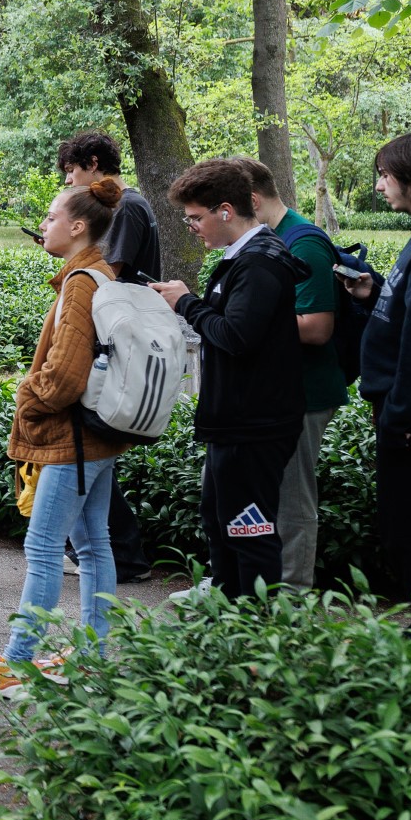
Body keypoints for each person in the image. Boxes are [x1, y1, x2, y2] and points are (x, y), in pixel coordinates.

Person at [0, 181, 126, 696]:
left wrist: (29, 396)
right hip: (97, 436)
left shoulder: (79, 282)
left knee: (44, 548)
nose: (43, 225)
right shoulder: (100, 273)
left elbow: (65, 376)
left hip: (72, 439)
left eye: (51, 217)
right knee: (94, 546)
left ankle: (17, 663)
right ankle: (93, 655)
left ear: (77, 226)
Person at [150, 159, 306, 598]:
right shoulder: (244, 259)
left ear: (225, 210)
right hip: (236, 420)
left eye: (195, 217)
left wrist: (186, 304)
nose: (191, 226)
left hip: (254, 423)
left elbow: (236, 336)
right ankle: (226, 603)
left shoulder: (258, 264)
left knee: (248, 528)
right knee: (222, 518)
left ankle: (254, 629)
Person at [232, 156, 347, 591]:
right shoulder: (268, 238)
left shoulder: (303, 243)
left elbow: (317, 327)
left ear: (253, 201)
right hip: (276, 390)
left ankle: (293, 592)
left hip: (306, 392)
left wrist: (244, 321)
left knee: (293, 496)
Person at [57, 132, 159, 583]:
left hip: (116, 344)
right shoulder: (130, 205)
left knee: (91, 446)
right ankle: (111, 552)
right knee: (95, 453)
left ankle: (123, 554)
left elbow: (107, 272)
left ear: (93, 164)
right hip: (116, 339)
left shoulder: (126, 207)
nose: (70, 180)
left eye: (72, 171)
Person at [355, 133, 411, 609]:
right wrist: (374, 294)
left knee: (410, 522)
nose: (380, 185)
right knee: (400, 519)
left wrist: (399, 416)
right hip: (400, 406)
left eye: (386, 175)